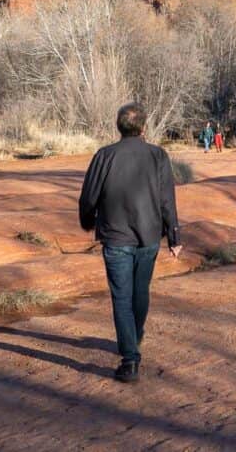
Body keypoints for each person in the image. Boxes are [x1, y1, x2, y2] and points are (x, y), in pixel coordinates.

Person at [79, 103, 183, 383]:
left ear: (118, 126)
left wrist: (88, 222)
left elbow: (88, 197)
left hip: (115, 237)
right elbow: (167, 200)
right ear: (143, 128)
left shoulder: (104, 155)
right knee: (140, 292)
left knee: (122, 298)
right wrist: (174, 237)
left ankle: (130, 357)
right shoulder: (158, 155)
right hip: (148, 237)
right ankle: (133, 339)